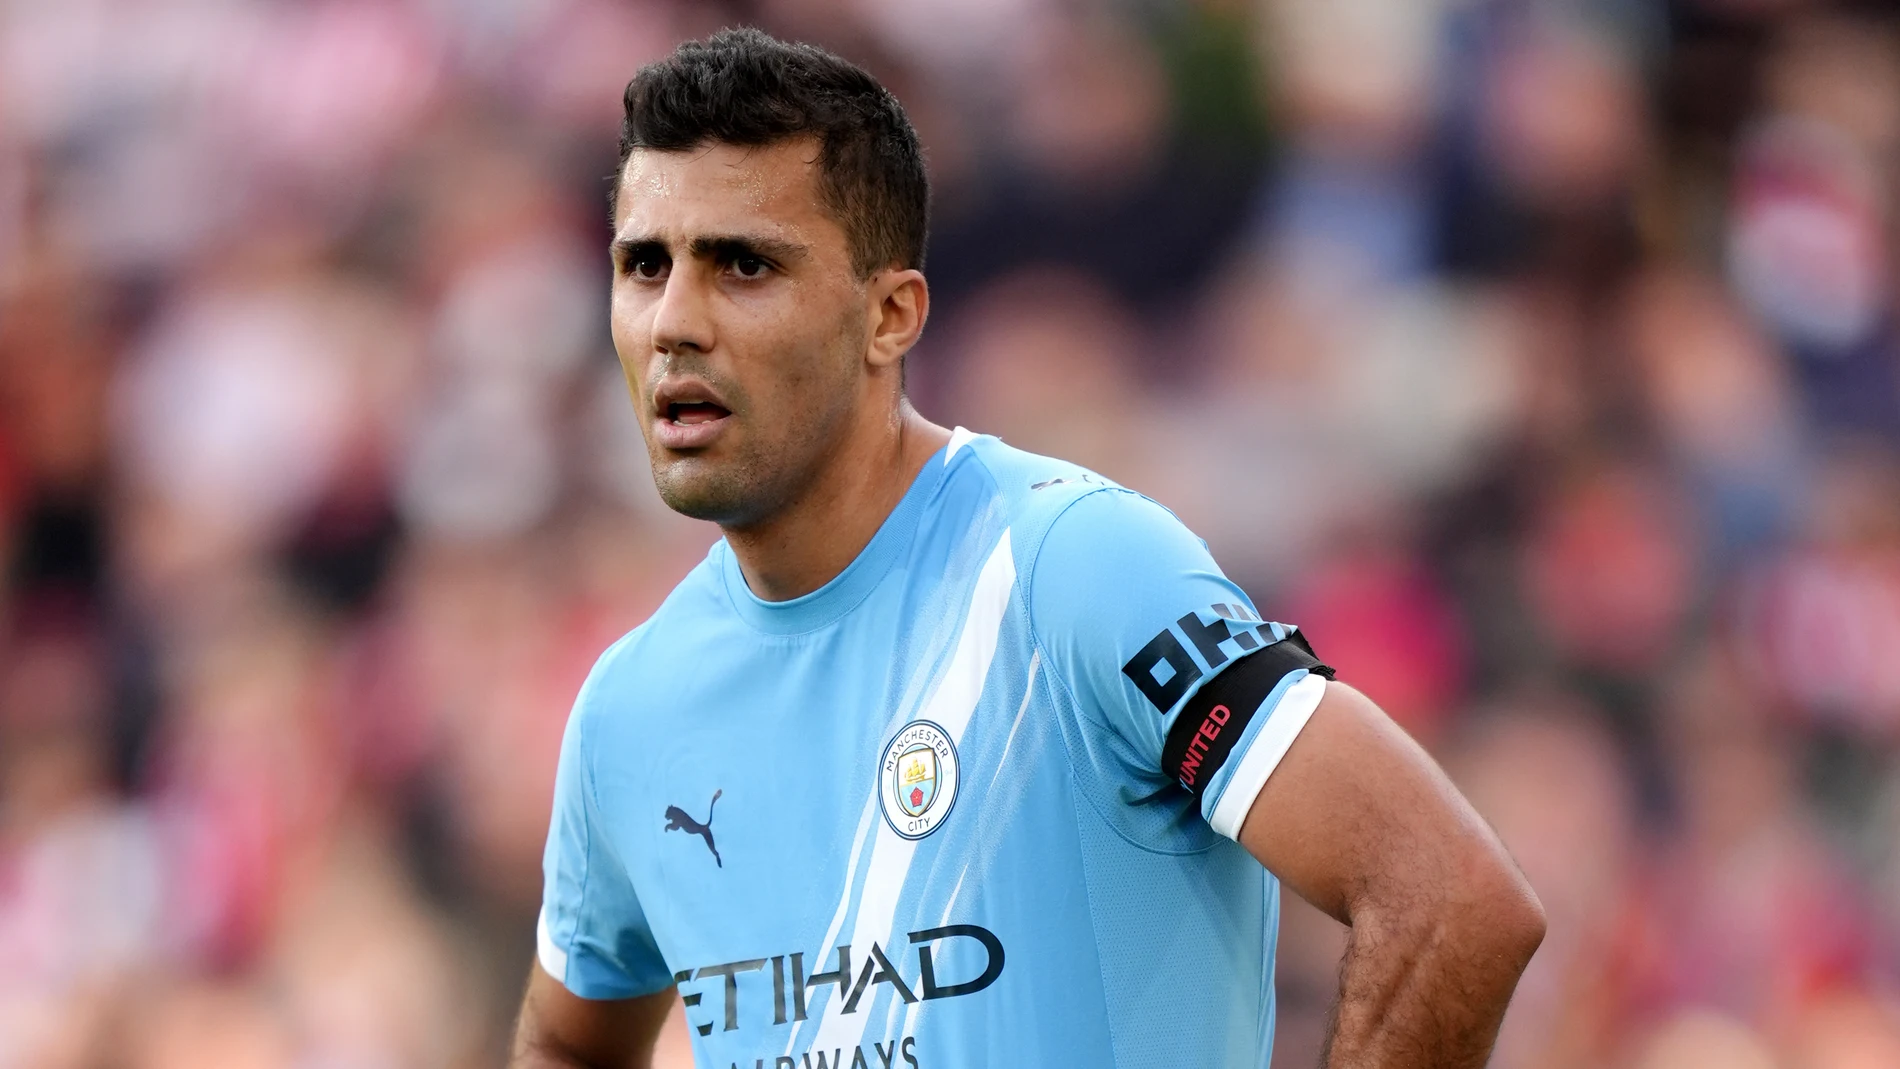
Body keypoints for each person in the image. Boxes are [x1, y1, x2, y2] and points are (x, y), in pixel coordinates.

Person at [509, 28, 1543, 1069]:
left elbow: (1449, 900)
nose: (674, 321)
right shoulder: (631, 705)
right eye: (644, 265)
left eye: (743, 264)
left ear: (891, 316)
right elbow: (565, 1041)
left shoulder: (1073, 570)